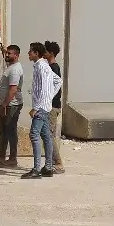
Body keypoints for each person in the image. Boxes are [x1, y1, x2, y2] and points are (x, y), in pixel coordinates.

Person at [23, 42, 62, 180]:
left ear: (36, 53)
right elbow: (58, 81)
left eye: (31, 51)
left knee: (34, 134)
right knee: (46, 136)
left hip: (41, 108)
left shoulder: (42, 67)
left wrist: (38, 106)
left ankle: (36, 169)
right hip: (45, 107)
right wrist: (49, 97)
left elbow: (45, 88)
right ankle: (48, 167)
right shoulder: (43, 66)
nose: (29, 53)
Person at [0, 44, 23, 168]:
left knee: (10, 131)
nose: (7, 55)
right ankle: (1, 157)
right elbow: (8, 59)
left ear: (16, 55)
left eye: (9, 53)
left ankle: (12, 159)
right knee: (3, 130)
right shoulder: (11, 66)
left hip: (11, 105)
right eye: (6, 53)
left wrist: (4, 104)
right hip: (7, 104)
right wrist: (4, 51)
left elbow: (13, 89)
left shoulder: (14, 70)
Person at [44, 41, 65, 174]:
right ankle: (51, 162)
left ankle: (58, 163)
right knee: (47, 134)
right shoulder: (50, 67)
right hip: (50, 105)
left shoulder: (54, 68)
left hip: (52, 106)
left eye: (45, 51)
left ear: (51, 53)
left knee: (50, 135)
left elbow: (54, 89)